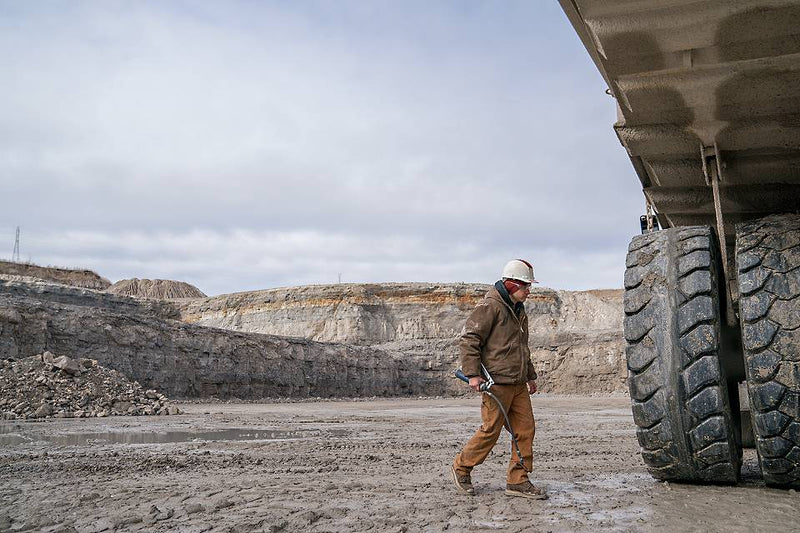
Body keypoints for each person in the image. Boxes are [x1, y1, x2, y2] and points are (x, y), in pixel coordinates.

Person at [450, 259, 547, 499]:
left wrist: (530, 376)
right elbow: (469, 338)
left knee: (525, 430)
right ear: (511, 283)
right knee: (490, 430)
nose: (529, 290)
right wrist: (473, 374)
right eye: (526, 285)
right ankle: (461, 467)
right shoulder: (490, 306)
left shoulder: (518, 309)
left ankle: (518, 481)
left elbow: (522, 347)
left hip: (517, 383)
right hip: (496, 384)